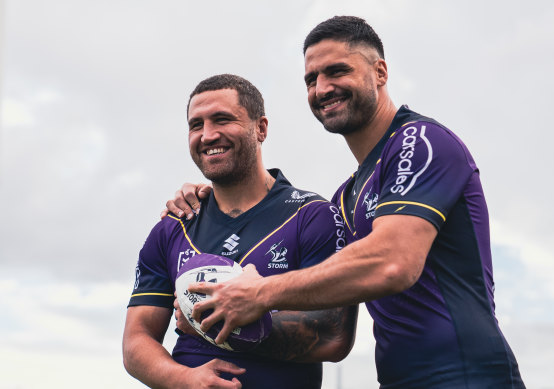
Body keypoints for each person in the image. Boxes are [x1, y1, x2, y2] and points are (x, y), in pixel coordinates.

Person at [166, 17, 525, 389]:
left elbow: (393, 263)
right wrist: (207, 202)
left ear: (380, 72)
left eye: (337, 71)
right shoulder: (344, 197)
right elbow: (328, 305)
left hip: (468, 376)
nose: (322, 88)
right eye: (311, 79)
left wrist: (259, 293)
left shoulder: (420, 141)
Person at [123, 74, 357, 389]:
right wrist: (184, 379)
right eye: (196, 125)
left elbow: (332, 336)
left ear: (260, 128)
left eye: (222, 120)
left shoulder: (313, 217)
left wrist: (218, 323)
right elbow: (136, 341)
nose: (207, 135)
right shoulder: (173, 226)